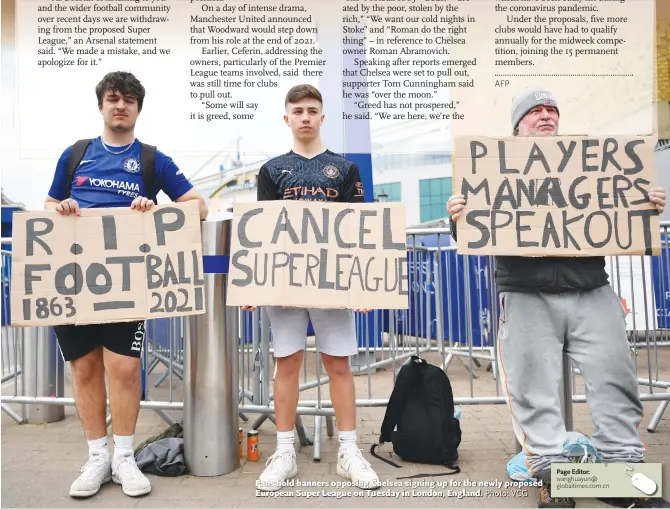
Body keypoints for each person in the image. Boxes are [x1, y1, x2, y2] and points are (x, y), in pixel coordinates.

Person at [446, 87, 668, 509]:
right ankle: (554, 479)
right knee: (533, 389)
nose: (546, 116)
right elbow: (472, 234)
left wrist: (646, 205)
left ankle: (623, 477)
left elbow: (622, 217)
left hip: (591, 289)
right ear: (517, 126)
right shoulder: (494, 171)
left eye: (552, 110)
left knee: (617, 381)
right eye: (535, 111)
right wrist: (459, 216)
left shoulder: (595, 167)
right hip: (526, 294)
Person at [45, 71, 208, 499]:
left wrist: (154, 208)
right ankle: (97, 457)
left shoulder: (153, 160)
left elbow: (198, 205)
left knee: (124, 368)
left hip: (126, 284)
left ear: (138, 108)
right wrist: (59, 207)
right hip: (75, 281)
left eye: (130, 99)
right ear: (100, 105)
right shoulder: (76, 154)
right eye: (114, 98)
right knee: (83, 369)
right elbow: (48, 205)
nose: (121, 105)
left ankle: (123, 457)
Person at [242, 84, 381, 492]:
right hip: (285, 283)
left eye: (312, 110)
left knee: (339, 364)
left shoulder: (345, 168)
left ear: (323, 117)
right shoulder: (271, 170)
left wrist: (364, 285)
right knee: (287, 363)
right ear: (287, 118)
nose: (305, 116)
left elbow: (360, 230)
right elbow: (262, 232)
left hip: (333, 284)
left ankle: (349, 451)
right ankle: (285, 451)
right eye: (297, 110)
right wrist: (254, 283)